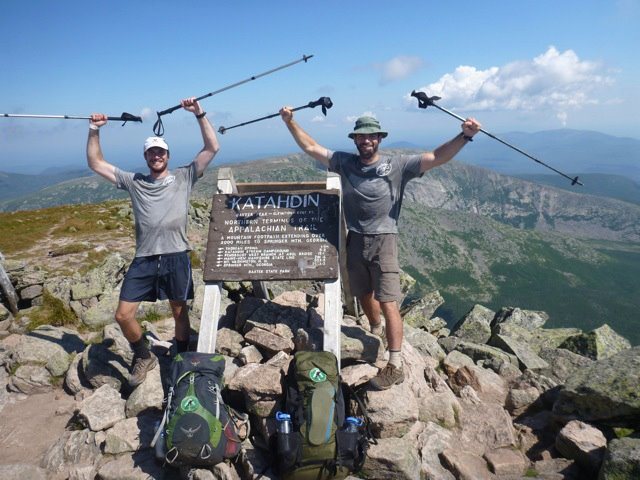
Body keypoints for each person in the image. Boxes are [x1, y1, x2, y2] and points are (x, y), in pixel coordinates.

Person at [280, 107, 481, 390]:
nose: (366, 141)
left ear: (379, 138)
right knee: (363, 294)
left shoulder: (397, 166)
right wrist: (291, 122)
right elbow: (311, 146)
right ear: (355, 140)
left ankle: (395, 363)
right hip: (356, 238)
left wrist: (465, 136)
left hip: (385, 239)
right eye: (361, 137)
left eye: (371, 136)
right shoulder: (344, 162)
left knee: (388, 301)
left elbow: (436, 157)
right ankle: (375, 331)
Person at [87, 97, 219, 387]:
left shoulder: (185, 177)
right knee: (123, 315)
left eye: (161, 152)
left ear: (168, 156)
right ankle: (142, 354)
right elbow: (95, 162)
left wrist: (200, 114)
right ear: (146, 157)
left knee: (179, 311)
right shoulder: (134, 181)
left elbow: (212, 148)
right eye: (152, 153)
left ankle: (182, 357)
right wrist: (95, 130)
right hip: (145, 258)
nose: (156, 157)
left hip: (176, 256)